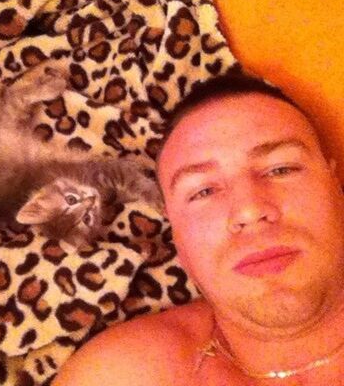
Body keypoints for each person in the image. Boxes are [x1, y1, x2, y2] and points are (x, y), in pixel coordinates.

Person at [52, 75, 344, 386]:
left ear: (336, 186)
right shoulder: (121, 373)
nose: (249, 211)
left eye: (280, 169)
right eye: (203, 191)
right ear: (176, 235)